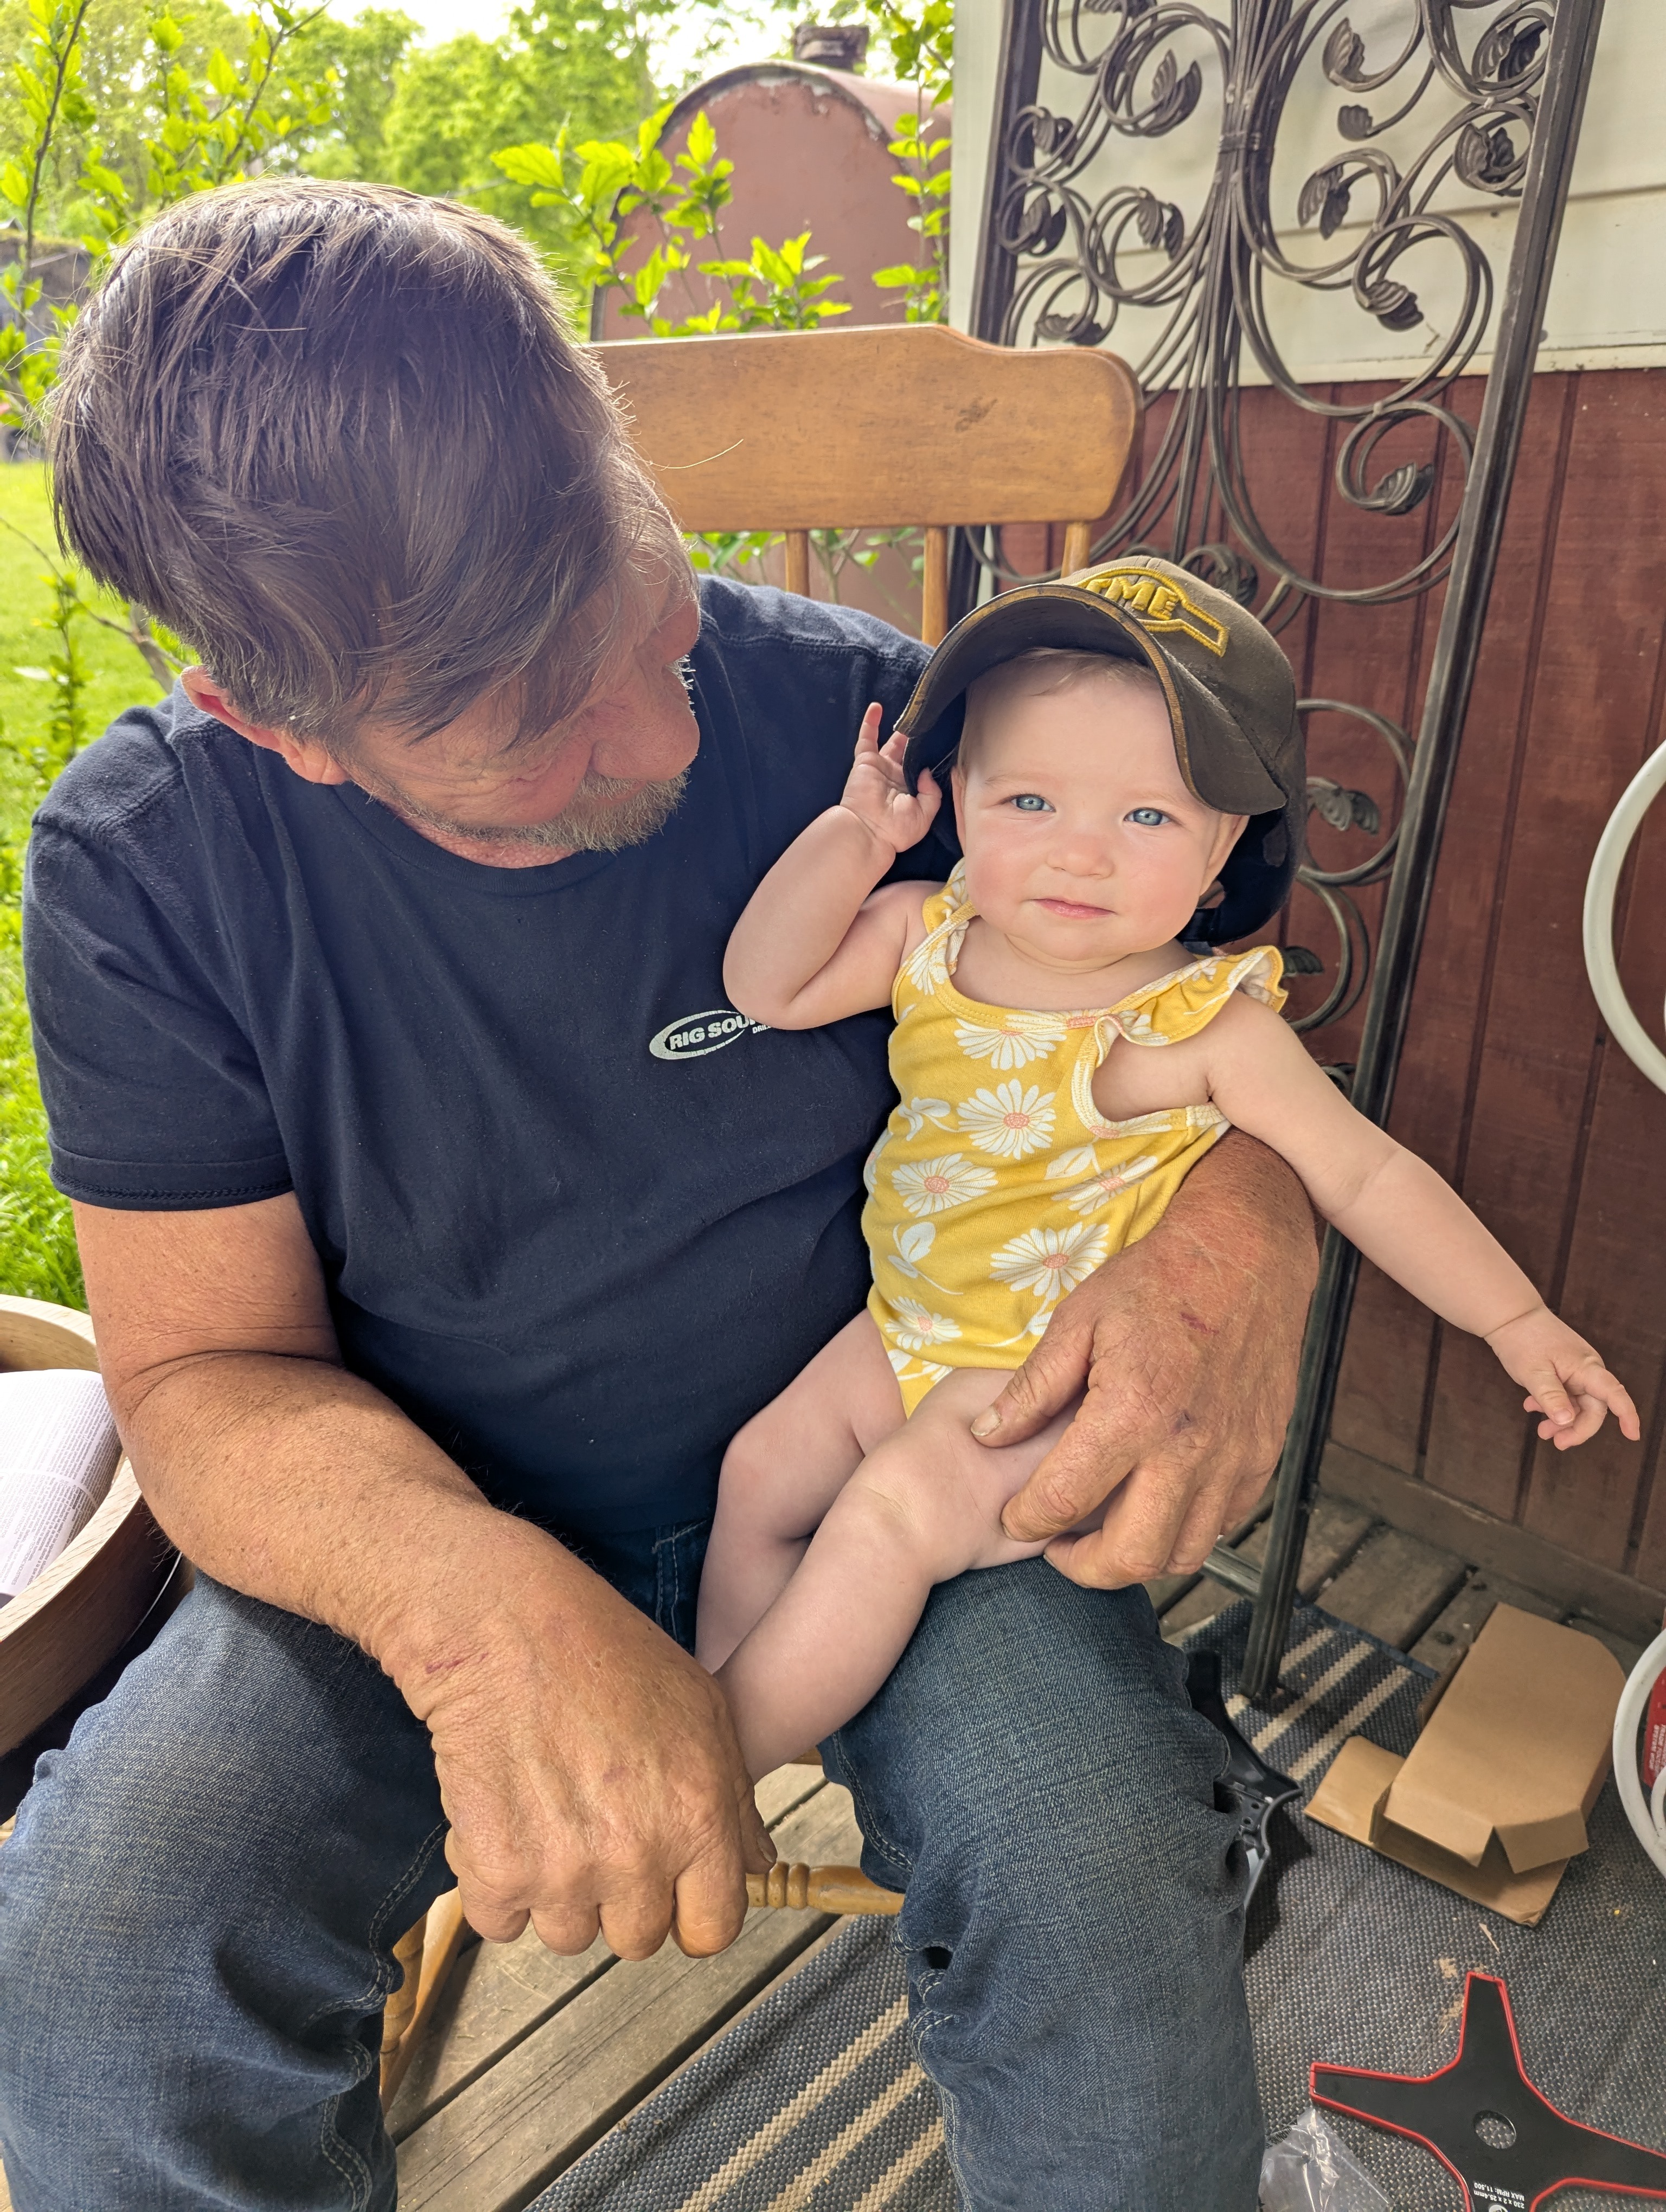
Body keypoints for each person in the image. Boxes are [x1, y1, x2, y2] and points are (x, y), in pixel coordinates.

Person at [0, 182, 1319, 2212]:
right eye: (535, 728)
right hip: (404, 1512)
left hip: (900, 1444)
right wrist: (481, 1616)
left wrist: (1250, 1228)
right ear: (271, 727)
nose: (657, 718)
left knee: (1107, 1859)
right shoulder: (153, 870)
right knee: (98, 1982)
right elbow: (204, 1378)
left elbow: (1195, 1015)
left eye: (641, 595)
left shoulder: (887, 732)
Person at [697, 584, 1639, 1777]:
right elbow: (765, 987)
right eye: (1028, 800)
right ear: (962, 799)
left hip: (1054, 1390)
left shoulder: (1202, 1026)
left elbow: (1366, 1175)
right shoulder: (924, 934)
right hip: (905, 1329)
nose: (1079, 851)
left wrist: (1518, 1322)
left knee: (888, 1516)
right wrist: (855, 836)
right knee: (759, 1474)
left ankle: (715, 1771)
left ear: (1220, 852)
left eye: (1146, 814)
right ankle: (720, 1711)